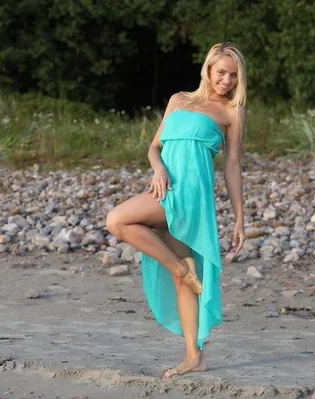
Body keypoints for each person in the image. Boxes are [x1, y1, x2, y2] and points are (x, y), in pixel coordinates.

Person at [105, 41, 247, 378]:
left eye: (233, 75)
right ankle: (193, 354)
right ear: (208, 71)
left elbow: (232, 165)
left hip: (193, 198)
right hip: (165, 188)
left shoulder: (231, 111)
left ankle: (193, 353)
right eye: (221, 72)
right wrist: (158, 168)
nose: (226, 80)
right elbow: (155, 148)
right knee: (120, 222)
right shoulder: (178, 100)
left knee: (117, 220)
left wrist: (240, 217)